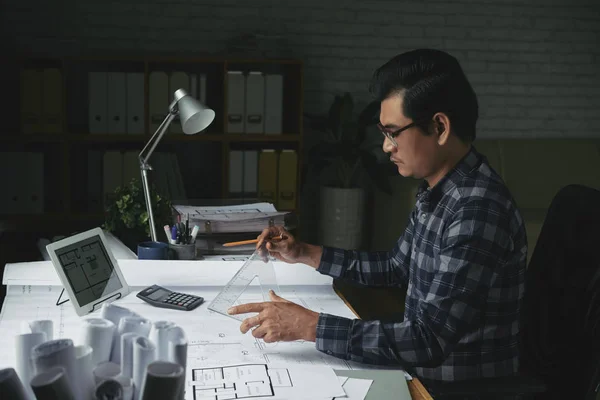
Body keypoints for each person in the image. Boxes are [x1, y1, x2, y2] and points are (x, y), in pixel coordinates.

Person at [227, 49, 527, 391]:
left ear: (439, 127)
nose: (386, 147)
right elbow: (396, 267)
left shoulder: (477, 208)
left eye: (393, 132)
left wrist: (309, 326)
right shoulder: (440, 189)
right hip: (422, 373)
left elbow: (428, 339)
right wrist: (306, 253)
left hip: (452, 390)